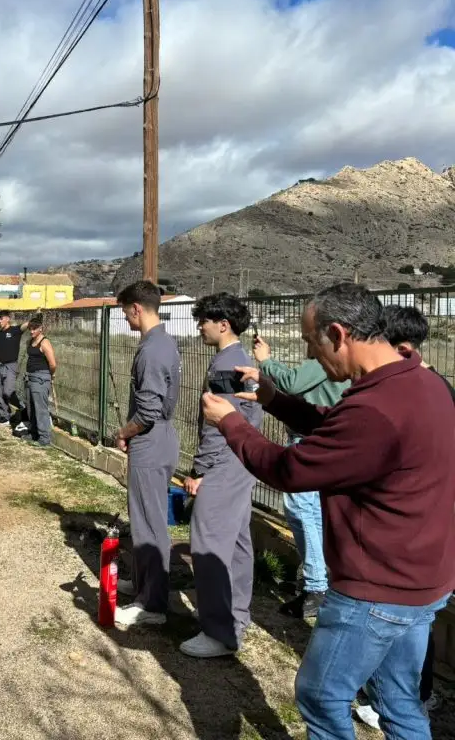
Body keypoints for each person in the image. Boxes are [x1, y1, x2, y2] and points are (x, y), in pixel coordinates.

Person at [201, 283, 455, 740]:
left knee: (321, 696)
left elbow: (288, 469)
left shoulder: (375, 409)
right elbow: (342, 430)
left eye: (310, 342)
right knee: (399, 701)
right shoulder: (422, 384)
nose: (309, 354)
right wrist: (274, 399)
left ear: (338, 334)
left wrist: (231, 424)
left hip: (377, 589)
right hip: (423, 581)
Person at [352, 304, 453, 729]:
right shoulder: (434, 387)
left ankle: (417, 697)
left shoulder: (421, 391)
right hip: (428, 537)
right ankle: (405, 698)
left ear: (403, 348)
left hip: (415, 542)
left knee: (413, 627)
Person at [180, 293, 263, 658]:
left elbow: (218, 424)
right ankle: (237, 616)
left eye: (204, 321)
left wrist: (200, 469)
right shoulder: (241, 360)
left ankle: (219, 632)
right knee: (239, 542)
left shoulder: (225, 366)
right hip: (243, 458)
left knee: (209, 544)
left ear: (223, 325)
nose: (200, 327)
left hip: (224, 462)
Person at [254, 334, 348, 619]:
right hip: (319, 439)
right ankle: (319, 580)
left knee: (301, 510)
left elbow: (292, 382)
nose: (306, 342)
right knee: (313, 513)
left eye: (309, 336)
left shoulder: (322, 362)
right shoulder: (330, 365)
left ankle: (316, 585)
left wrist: (266, 361)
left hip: (309, 441)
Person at [112, 281, 180, 627]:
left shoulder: (152, 350)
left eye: (126, 313)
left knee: (149, 524)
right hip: (159, 439)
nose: (126, 319)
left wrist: (123, 432)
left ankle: (151, 603)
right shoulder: (164, 342)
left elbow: (149, 411)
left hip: (150, 442)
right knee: (143, 518)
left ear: (137, 308)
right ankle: (142, 583)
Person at [0, 310, 31, 429]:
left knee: (8, 391)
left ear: (7, 318)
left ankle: (22, 407)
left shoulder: (15, 330)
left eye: (1, 318)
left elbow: (26, 326)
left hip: (11, 365)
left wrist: (35, 318)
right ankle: (5, 417)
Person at [21, 317, 57, 447]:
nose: (31, 331)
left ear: (41, 328)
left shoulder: (44, 342)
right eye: (30, 329)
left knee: (40, 409)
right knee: (31, 408)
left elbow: (53, 364)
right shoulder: (30, 341)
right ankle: (34, 433)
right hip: (30, 378)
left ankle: (44, 438)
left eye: (34, 329)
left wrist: (50, 375)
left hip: (40, 379)